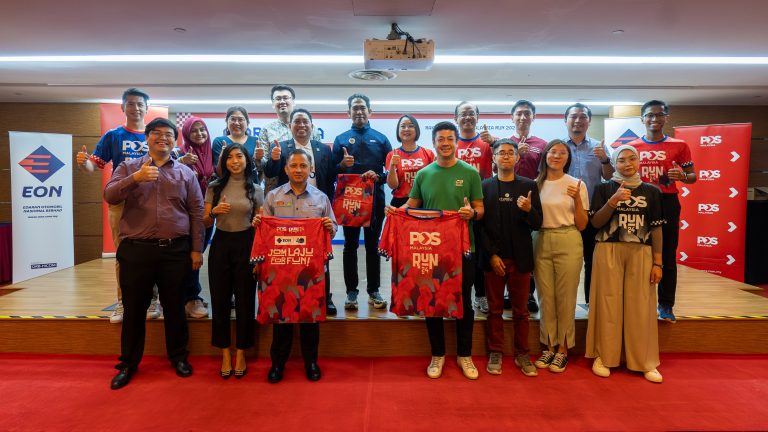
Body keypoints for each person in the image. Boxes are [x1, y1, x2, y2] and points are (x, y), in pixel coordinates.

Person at [104, 118, 204, 390]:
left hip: (176, 250)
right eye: (157, 133)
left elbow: (196, 212)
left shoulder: (186, 173)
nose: (163, 138)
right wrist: (135, 179)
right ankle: (128, 363)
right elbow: (110, 195)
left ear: (175, 140)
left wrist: (196, 249)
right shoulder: (128, 167)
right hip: (136, 250)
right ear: (147, 138)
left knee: (175, 307)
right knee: (134, 310)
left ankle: (179, 357)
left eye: (169, 134)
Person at [389, 121, 484, 380]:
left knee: (464, 301)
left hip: (463, 249)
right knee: (431, 300)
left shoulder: (470, 173)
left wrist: (472, 213)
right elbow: (412, 205)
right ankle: (438, 354)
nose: (445, 143)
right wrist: (396, 212)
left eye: (450, 139)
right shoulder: (424, 174)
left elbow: (480, 208)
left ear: (456, 142)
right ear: (434, 143)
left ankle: (465, 354)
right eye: (440, 139)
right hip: (430, 248)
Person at [75, 87, 161, 323]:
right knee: (124, 255)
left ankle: (153, 300)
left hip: (151, 203)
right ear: (123, 107)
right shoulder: (113, 136)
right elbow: (94, 166)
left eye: (140, 104)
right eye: (130, 103)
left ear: (147, 108)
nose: (136, 108)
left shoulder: (156, 134)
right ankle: (123, 302)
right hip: (121, 202)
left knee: (153, 252)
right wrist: (83, 164)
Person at [255, 149, 337, 383]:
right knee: (281, 316)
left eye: (303, 166)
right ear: (286, 169)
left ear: (310, 169)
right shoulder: (273, 197)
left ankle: (311, 362)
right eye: (294, 166)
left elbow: (333, 227)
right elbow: (264, 231)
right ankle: (278, 364)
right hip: (281, 269)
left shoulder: (321, 198)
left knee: (310, 318)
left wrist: (329, 228)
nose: (298, 170)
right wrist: (258, 223)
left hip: (310, 270)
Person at [585, 145, 665, 383]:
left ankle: (644, 360)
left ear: (639, 162)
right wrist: (612, 201)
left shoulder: (651, 191)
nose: (627, 164)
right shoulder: (603, 188)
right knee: (607, 303)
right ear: (615, 163)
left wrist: (658, 263)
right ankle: (604, 356)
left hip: (641, 252)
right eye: (622, 160)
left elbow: (656, 228)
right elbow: (596, 223)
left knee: (641, 305)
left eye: (632, 159)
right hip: (608, 249)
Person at [264, 108, 338, 314]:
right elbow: (270, 172)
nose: (301, 125)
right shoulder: (281, 147)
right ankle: (284, 295)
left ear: (312, 126)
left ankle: (324, 296)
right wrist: (274, 159)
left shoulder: (323, 149)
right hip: (286, 206)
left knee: (319, 255)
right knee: (288, 257)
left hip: (315, 206)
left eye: (305, 122)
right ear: (290, 126)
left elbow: (330, 176)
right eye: (297, 122)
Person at [479, 139, 542, 377]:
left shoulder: (528, 185)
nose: (505, 156)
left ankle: (522, 353)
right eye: (501, 153)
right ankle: (495, 351)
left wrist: (529, 210)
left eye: (510, 153)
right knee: (494, 310)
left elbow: (538, 223)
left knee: (521, 311)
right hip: (493, 258)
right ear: (494, 158)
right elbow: (480, 227)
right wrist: (492, 255)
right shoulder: (485, 186)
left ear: (517, 158)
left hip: (521, 258)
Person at [629, 100, 696, 323]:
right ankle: (639, 302)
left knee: (667, 253)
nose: (654, 119)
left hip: (667, 201)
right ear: (642, 119)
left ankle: (666, 304)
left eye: (659, 115)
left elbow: (693, 176)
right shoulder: (633, 146)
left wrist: (683, 176)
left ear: (666, 117)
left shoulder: (679, 145)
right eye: (650, 115)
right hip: (639, 202)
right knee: (638, 252)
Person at [204, 143, 263, 379]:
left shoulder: (256, 189)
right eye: (230, 157)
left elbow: (260, 224)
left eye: (239, 156)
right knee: (219, 300)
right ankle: (225, 353)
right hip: (221, 245)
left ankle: (241, 352)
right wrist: (214, 212)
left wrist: (259, 222)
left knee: (245, 300)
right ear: (224, 162)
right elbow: (205, 221)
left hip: (247, 244)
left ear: (247, 160)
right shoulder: (214, 187)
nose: (235, 161)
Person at [482, 100, 547, 313]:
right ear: (512, 118)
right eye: (518, 114)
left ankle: (528, 294)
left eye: (527, 113)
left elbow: (544, 173)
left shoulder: (542, 144)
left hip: (527, 197)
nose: (522, 117)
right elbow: (496, 169)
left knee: (523, 251)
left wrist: (530, 205)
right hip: (501, 197)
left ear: (534, 117)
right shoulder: (506, 143)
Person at [532, 139, 588, 374]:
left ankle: (563, 349)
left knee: (566, 296)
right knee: (545, 296)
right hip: (540, 239)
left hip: (568, 238)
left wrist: (576, 199)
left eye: (562, 153)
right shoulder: (535, 184)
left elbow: (582, 224)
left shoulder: (576, 184)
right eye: (552, 152)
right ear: (545, 155)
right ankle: (548, 346)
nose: (556, 156)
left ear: (568, 158)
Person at [332, 94, 392, 311]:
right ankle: (351, 292)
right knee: (349, 246)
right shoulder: (340, 139)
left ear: (370, 112)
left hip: (375, 201)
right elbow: (331, 172)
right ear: (348, 112)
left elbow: (391, 172)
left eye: (362, 108)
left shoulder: (382, 139)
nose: (359, 112)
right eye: (355, 108)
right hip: (349, 201)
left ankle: (374, 290)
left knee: (372, 246)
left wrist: (379, 176)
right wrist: (341, 164)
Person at [562, 103, 614, 307]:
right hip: (564, 213)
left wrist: (605, 160)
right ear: (565, 120)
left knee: (592, 260)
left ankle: (591, 304)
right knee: (566, 262)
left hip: (592, 213)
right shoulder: (557, 147)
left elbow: (609, 177)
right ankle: (565, 303)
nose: (578, 120)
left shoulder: (598, 147)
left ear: (589, 121)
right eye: (573, 116)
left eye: (583, 117)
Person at [454, 102, 493, 315]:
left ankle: (480, 295)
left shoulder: (487, 143)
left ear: (477, 118)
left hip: (480, 206)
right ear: (456, 119)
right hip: (454, 209)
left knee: (479, 254)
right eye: (463, 114)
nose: (467, 117)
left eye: (471, 114)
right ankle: (457, 296)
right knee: (455, 254)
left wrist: (494, 144)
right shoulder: (451, 144)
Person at [177, 116, 214, 318]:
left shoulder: (212, 153)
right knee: (187, 256)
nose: (199, 134)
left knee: (197, 254)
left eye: (202, 130)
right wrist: (182, 162)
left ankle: (191, 295)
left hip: (207, 213)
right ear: (186, 134)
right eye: (194, 131)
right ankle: (189, 298)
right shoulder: (179, 153)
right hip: (184, 213)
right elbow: (166, 173)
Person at [257, 85, 322, 195]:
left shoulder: (311, 129)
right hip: (276, 192)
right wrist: (258, 159)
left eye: (286, 98)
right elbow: (264, 166)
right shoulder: (266, 130)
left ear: (293, 101)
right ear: (273, 103)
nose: (282, 101)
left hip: (310, 190)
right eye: (278, 99)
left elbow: (318, 160)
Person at [385, 114, 434, 208]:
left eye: (411, 126)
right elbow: (392, 186)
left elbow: (432, 182)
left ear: (416, 130)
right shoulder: (392, 155)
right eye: (403, 126)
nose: (406, 129)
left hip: (423, 201)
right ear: (398, 130)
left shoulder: (428, 153)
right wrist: (392, 165)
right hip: (400, 201)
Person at [212, 106, 262, 184]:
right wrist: (222, 157)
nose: (236, 123)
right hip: (227, 187)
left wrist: (258, 160)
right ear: (227, 122)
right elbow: (219, 173)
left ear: (247, 122)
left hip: (252, 187)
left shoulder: (256, 141)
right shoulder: (219, 141)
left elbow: (261, 171)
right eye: (233, 119)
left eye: (240, 119)